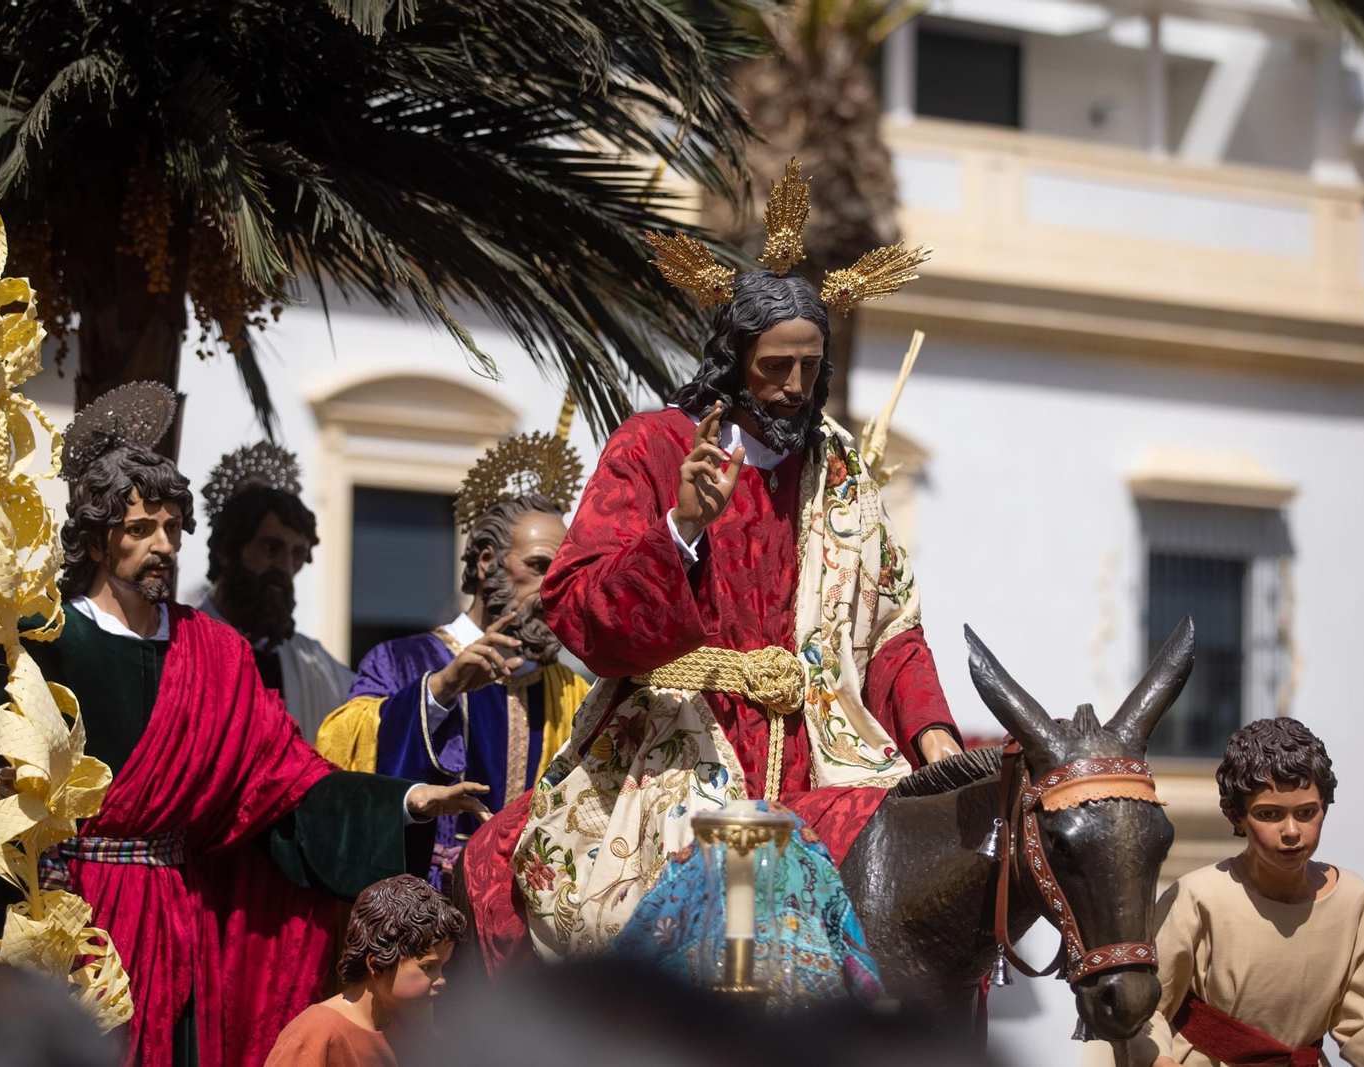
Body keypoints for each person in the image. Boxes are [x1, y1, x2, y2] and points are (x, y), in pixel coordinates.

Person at [459, 160, 962, 968]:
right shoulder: (654, 447)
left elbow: (892, 627)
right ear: (733, 359)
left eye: (810, 367)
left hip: (822, 749)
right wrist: (680, 528)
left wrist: (934, 738)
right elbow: (580, 611)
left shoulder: (835, 469)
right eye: (775, 367)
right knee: (652, 924)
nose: (795, 387)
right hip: (675, 741)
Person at [0, 383, 488, 1067]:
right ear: (96, 538)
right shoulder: (45, 640)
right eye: (140, 529)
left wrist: (406, 800)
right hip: (75, 923)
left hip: (181, 924)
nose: (163, 546)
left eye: (173, 528)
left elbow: (289, 787)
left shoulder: (214, 651)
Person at [317, 419, 589, 891]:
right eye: (538, 566)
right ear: (486, 560)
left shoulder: (571, 692)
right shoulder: (397, 662)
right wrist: (439, 691)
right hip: (422, 905)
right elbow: (340, 754)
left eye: (564, 571)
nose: (553, 588)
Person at [1123, 717, 1364, 1067]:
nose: (1291, 831)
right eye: (1270, 814)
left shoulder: (1355, 901)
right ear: (1237, 817)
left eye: (1306, 812)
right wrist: (1160, 1061)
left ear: (1325, 806)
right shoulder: (1198, 897)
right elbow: (1146, 1007)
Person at [199, 441, 353, 741]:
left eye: (297, 554)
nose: (285, 566)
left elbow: (373, 717)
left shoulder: (314, 664)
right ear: (226, 551)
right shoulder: (181, 643)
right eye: (271, 548)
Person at [263, 875, 463, 1067]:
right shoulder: (314, 1036)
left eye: (443, 967)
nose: (441, 980)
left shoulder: (410, 1025)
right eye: (428, 967)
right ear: (377, 965)